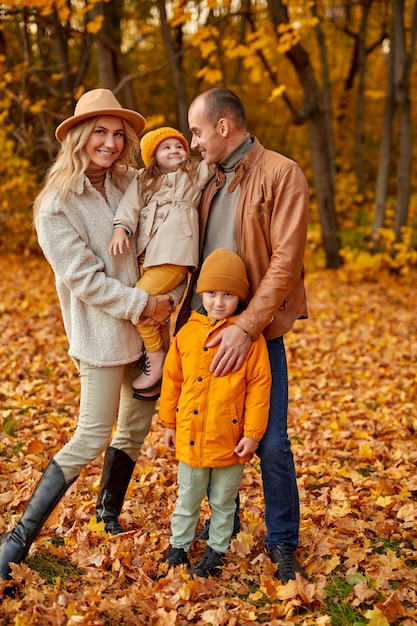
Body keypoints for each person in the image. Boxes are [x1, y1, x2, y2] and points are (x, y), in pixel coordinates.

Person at [0, 89, 178, 582]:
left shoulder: (131, 182)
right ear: (79, 136)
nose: (111, 142)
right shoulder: (55, 205)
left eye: (119, 134)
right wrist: (146, 303)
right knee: (92, 433)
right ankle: (16, 539)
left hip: (148, 336)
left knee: (134, 428)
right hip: (102, 335)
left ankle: (107, 514)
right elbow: (85, 279)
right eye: (100, 131)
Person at [175, 88, 309, 584]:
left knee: (269, 442)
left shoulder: (282, 174)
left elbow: (286, 263)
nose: (192, 142)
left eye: (197, 131)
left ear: (223, 127)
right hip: (201, 332)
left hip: (256, 333)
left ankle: (283, 543)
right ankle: (215, 538)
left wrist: (246, 328)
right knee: (209, 438)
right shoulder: (206, 180)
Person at [160, 249, 271, 578]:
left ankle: (217, 549)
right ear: (200, 294)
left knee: (224, 501)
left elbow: (259, 386)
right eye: (211, 294)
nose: (218, 302)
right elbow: (173, 381)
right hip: (192, 439)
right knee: (188, 496)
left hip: (230, 439)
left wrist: (252, 434)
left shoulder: (250, 339)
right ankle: (178, 546)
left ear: (240, 297)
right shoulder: (186, 334)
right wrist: (168, 424)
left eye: (228, 295)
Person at [108, 127, 214, 400]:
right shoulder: (144, 179)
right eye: (166, 148)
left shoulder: (193, 174)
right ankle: (167, 373)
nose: (175, 151)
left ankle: (155, 358)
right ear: (153, 156)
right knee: (155, 315)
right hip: (148, 257)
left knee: (140, 301)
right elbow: (129, 207)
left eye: (179, 146)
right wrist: (122, 228)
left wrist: (208, 138)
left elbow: (214, 159)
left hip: (176, 254)